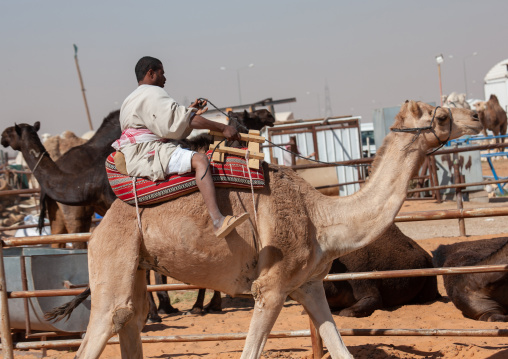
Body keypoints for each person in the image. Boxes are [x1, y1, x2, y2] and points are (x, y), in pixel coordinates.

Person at [113, 56, 249, 238]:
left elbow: (169, 124)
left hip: (139, 151)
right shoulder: (153, 93)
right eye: (162, 73)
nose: (165, 78)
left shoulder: (130, 99)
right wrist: (222, 127)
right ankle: (217, 221)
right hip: (147, 153)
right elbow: (178, 122)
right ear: (151, 73)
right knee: (201, 160)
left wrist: (187, 112)